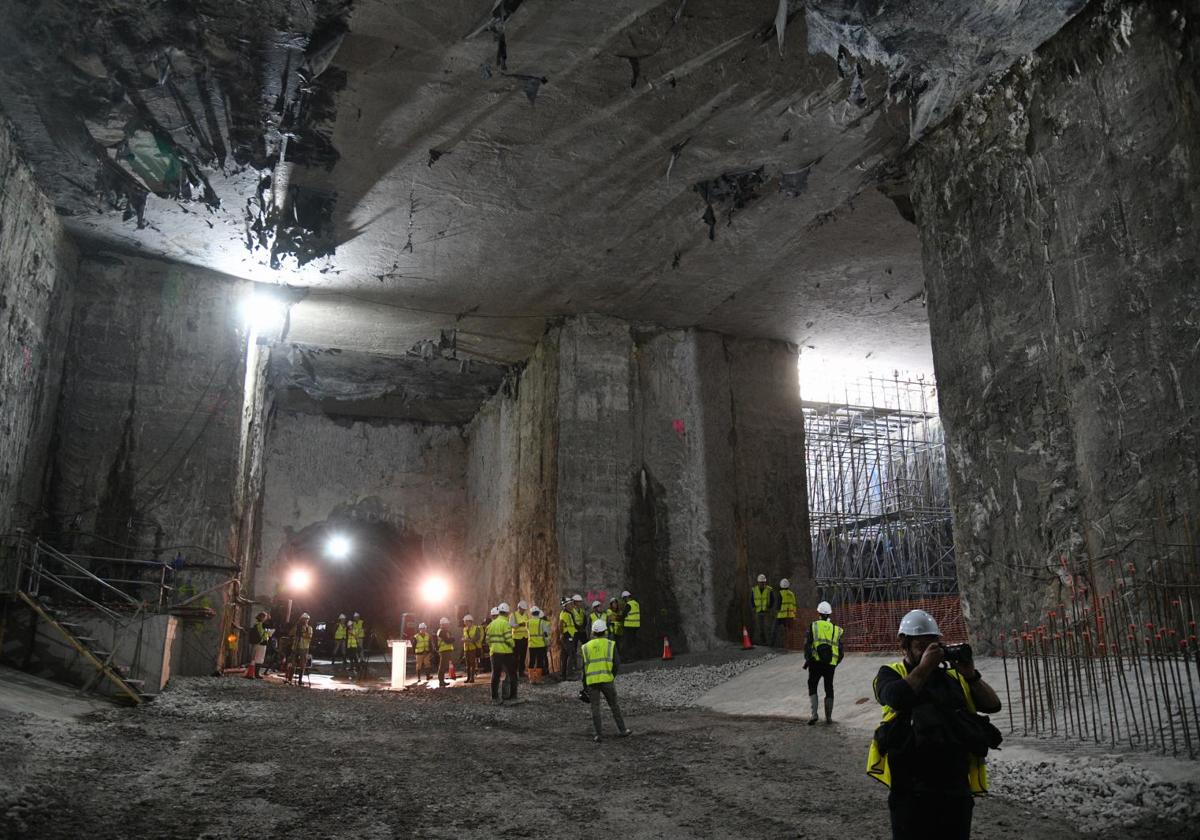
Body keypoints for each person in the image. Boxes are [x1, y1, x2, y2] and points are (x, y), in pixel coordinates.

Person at [868, 609, 1002, 840]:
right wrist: (925, 667)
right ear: (905, 645)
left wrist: (971, 675)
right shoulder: (891, 673)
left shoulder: (953, 677)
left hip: (954, 788)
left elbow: (993, 705)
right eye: (921, 645)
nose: (929, 650)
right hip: (910, 790)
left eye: (933, 644)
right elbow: (895, 697)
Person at [581, 619, 631, 743]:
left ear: (593, 632)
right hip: (607, 679)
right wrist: (611, 676)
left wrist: (585, 685)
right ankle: (622, 729)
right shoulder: (610, 644)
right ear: (605, 631)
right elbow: (617, 663)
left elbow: (584, 668)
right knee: (614, 705)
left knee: (595, 708)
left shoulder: (585, 647)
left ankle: (598, 735)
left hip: (591, 681)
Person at [804, 601, 845, 724]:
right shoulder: (836, 630)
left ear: (819, 613)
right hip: (830, 665)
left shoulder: (814, 626)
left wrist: (808, 659)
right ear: (829, 614)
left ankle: (814, 715)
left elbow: (807, 645)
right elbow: (841, 651)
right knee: (829, 688)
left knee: (812, 685)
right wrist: (834, 663)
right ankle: (828, 717)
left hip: (815, 663)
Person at [486, 603, 517, 704]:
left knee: (495, 675)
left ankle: (494, 698)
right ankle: (512, 696)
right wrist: (513, 645)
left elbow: (487, 640)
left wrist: (493, 647)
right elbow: (508, 639)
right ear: (507, 613)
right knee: (512, 674)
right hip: (506, 653)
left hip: (494, 653)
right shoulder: (505, 623)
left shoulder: (491, 624)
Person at [558, 598, 580, 680]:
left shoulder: (569, 613)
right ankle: (569, 674)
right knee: (571, 654)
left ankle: (564, 675)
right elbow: (560, 625)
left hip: (570, 635)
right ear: (565, 605)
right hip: (567, 636)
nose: (571, 605)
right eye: (570, 604)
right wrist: (562, 634)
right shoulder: (564, 614)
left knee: (565, 655)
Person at [751, 574, 775, 646]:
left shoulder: (769, 590)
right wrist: (754, 607)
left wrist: (769, 607)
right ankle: (762, 642)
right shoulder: (754, 590)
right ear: (758, 582)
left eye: (763, 582)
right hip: (758, 611)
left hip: (766, 611)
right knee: (760, 628)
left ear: (765, 582)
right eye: (761, 582)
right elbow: (752, 599)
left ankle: (769, 643)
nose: (762, 584)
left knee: (768, 628)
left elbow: (772, 600)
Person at [290, 613, 313, 685]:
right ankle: (290, 678)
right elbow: (290, 633)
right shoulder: (297, 627)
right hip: (296, 646)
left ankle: (300, 680)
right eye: (303, 619)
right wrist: (296, 627)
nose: (305, 621)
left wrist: (302, 632)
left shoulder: (309, 628)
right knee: (293, 663)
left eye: (306, 619)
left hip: (304, 647)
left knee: (302, 664)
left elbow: (309, 636)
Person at [774, 579, 797, 647]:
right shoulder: (791, 594)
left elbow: (778, 605)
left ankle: (774, 644)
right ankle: (791, 644)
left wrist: (776, 611)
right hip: (790, 616)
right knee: (790, 631)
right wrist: (794, 615)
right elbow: (794, 605)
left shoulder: (780, 593)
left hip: (781, 616)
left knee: (776, 630)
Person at [527, 606, 550, 673]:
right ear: (538, 613)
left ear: (531, 613)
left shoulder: (528, 622)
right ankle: (538, 678)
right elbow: (545, 634)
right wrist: (547, 643)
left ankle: (531, 678)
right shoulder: (542, 622)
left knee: (531, 661)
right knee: (539, 662)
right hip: (540, 645)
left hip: (531, 645)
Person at [511, 600, 530, 678]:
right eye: (522, 609)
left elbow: (528, 624)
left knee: (523, 656)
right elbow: (511, 625)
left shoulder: (526, 615)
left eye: (524, 609)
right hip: (516, 638)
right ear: (519, 608)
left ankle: (521, 672)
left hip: (524, 638)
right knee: (515, 656)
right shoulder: (513, 615)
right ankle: (514, 672)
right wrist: (519, 624)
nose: (523, 611)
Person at [620, 590, 640, 660]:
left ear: (625, 598)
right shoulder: (636, 603)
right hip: (636, 626)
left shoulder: (629, 604)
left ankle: (629, 658)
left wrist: (617, 617)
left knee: (628, 642)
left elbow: (623, 615)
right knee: (633, 642)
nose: (624, 600)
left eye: (623, 599)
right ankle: (635, 657)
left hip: (629, 626)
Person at [461, 614, 482, 683]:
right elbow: (464, 637)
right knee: (467, 664)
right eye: (465, 622)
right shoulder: (464, 629)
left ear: (470, 621)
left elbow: (478, 637)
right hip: (466, 648)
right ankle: (468, 678)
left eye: (466, 621)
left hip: (473, 648)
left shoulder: (476, 628)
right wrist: (463, 639)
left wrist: (470, 640)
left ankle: (472, 678)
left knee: (472, 664)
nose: (465, 623)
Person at [436, 617, 456, 687]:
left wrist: (451, 639)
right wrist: (452, 639)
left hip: (447, 650)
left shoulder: (446, 631)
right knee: (442, 666)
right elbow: (447, 641)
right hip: (443, 650)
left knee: (444, 666)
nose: (448, 625)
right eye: (447, 624)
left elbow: (450, 639)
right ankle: (441, 681)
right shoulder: (441, 631)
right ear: (443, 624)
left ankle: (442, 680)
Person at [250, 611, 270, 679]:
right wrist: (267, 634)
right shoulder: (261, 625)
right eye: (265, 617)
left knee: (256, 658)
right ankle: (256, 673)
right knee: (259, 659)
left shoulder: (256, 624)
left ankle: (254, 673)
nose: (266, 618)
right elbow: (262, 634)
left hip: (258, 643)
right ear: (262, 617)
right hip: (261, 643)